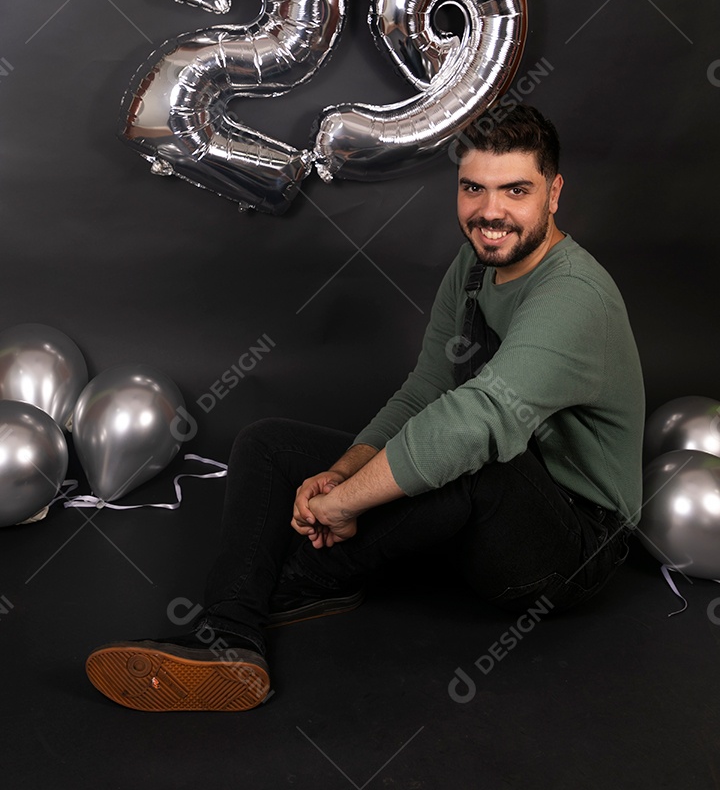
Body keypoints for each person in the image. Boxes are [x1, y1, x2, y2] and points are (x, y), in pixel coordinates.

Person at [86, 104, 644, 712]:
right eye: (473, 190)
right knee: (268, 444)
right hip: (482, 510)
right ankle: (229, 633)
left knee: (472, 453)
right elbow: (427, 387)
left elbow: (477, 420)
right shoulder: (476, 266)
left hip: (570, 543)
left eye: (516, 191)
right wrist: (346, 469)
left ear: (554, 192)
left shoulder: (574, 296)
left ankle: (304, 576)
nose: (490, 214)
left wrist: (341, 504)